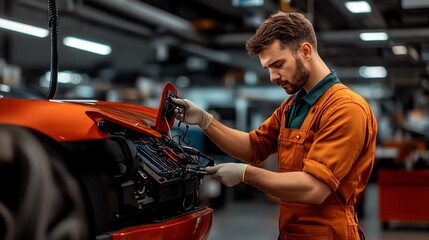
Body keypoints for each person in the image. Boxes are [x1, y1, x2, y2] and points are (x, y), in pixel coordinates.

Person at [172, 11, 377, 240]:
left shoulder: (345, 108)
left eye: (278, 64)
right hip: (292, 232)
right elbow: (253, 146)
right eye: (268, 67)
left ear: (306, 51)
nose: (272, 76)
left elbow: (314, 188)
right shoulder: (292, 106)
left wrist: (245, 174)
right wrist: (205, 120)